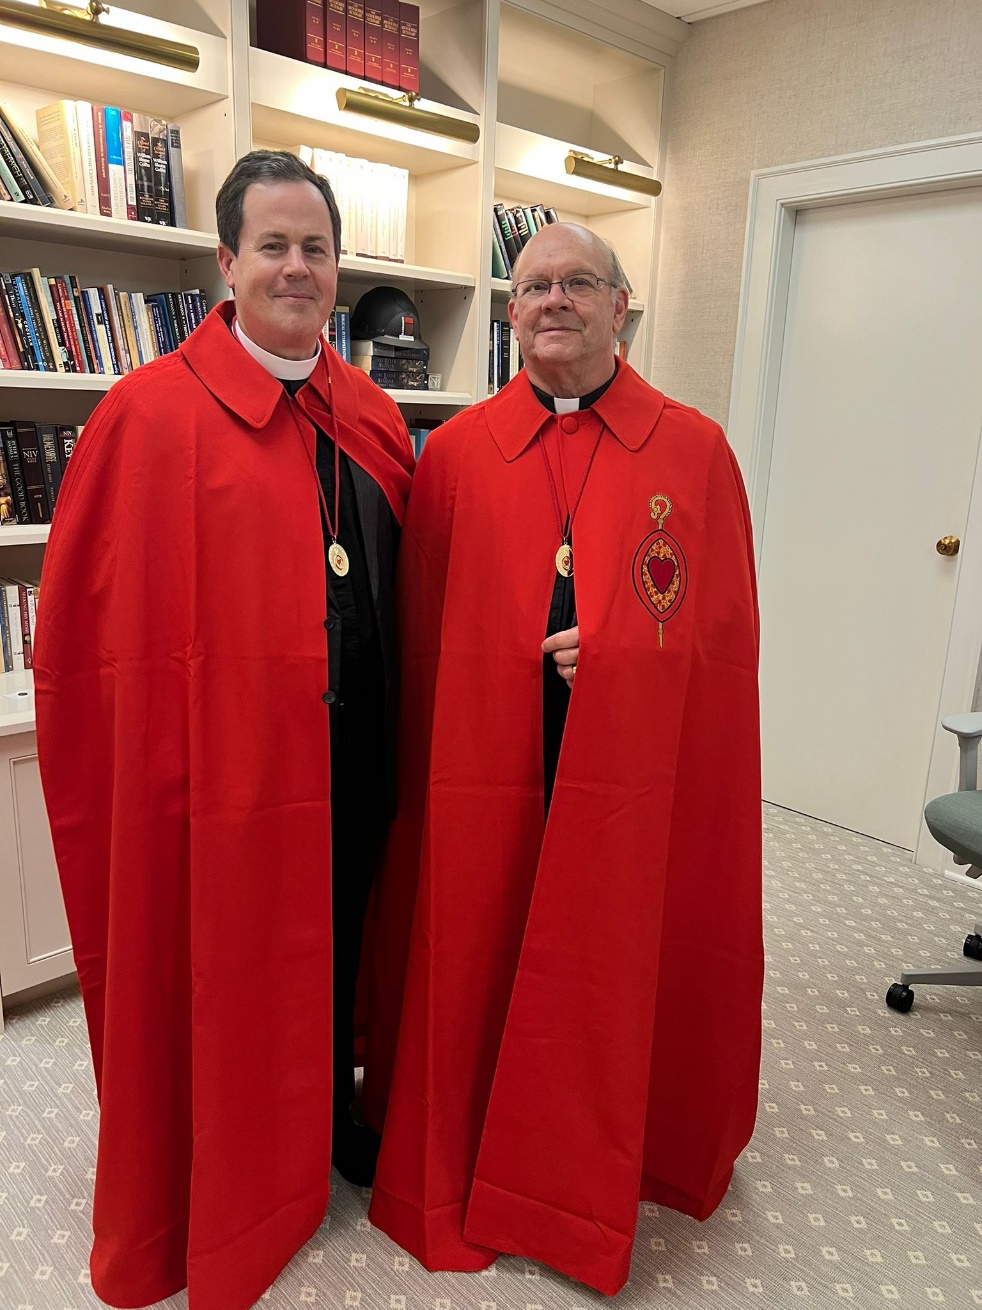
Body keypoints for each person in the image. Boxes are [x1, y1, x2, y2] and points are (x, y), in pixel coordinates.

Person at [33, 151, 414, 1310]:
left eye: (316, 248)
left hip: (357, 758)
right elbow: (96, 646)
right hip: (224, 781)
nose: (297, 269)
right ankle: (238, 1167)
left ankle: (340, 1113)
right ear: (226, 265)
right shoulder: (146, 418)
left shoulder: (373, 414)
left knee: (348, 944)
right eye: (274, 247)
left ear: (338, 267)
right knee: (232, 973)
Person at [361, 222, 764, 1295]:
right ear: (507, 315)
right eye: (532, 285)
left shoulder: (694, 449)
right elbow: (423, 637)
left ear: (620, 307)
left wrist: (629, 656)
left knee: (601, 948)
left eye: (578, 282)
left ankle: (590, 1161)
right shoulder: (448, 456)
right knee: (481, 930)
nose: (554, 300)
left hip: (622, 770)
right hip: (483, 758)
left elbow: (720, 642)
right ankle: (473, 1137)